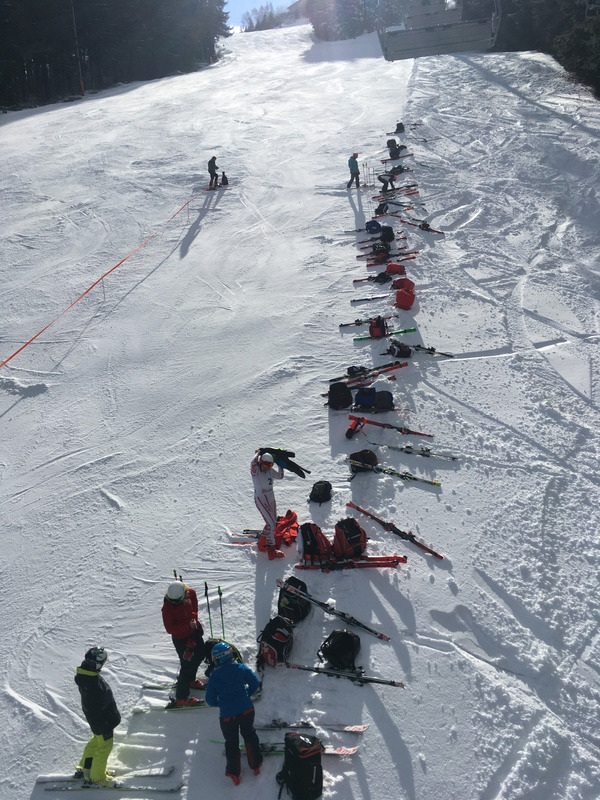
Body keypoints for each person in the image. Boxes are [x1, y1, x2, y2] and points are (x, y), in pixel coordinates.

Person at [205, 642, 263, 786]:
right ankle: (255, 766)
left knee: (231, 743)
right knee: (249, 734)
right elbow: (255, 683)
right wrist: (246, 694)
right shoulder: (240, 668)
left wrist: (221, 703)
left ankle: (234, 774)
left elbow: (210, 700)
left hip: (227, 717)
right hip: (247, 710)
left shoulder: (214, 676)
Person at [74, 647, 121, 788]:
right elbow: (95, 707)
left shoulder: (87, 676)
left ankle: (86, 768)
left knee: (96, 742)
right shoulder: (92, 684)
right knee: (104, 747)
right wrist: (103, 723)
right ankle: (97, 777)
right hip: (102, 722)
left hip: (99, 721)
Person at [161, 580, 207, 706]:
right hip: (181, 639)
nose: (175, 603)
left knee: (200, 653)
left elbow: (194, 603)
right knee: (187, 665)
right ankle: (181, 697)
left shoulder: (189, 593)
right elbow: (170, 629)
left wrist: (194, 618)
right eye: (173, 601)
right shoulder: (167, 608)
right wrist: (188, 626)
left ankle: (190, 680)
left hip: (193, 632)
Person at [250, 450, 285, 560]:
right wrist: (258, 453)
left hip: (270, 498)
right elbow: (252, 463)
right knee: (271, 524)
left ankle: (262, 542)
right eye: (265, 465)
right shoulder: (256, 472)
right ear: (260, 462)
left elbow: (280, 476)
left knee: (273, 522)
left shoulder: (270, 471)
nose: (267, 467)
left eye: (270, 465)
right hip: (261, 499)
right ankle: (271, 549)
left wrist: (280, 464)